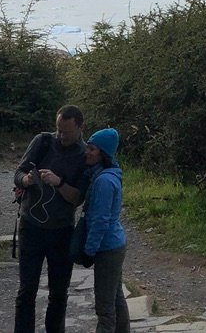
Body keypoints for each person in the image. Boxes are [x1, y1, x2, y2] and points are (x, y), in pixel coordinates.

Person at [14, 105, 89, 333]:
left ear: (80, 127)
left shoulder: (85, 155)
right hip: (31, 226)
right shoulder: (43, 142)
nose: (61, 136)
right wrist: (26, 180)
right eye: (58, 130)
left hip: (61, 231)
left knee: (58, 293)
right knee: (27, 290)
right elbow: (17, 174)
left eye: (66, 131)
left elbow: (77, 198)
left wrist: (59, 183)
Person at [82, 128, 129, 333]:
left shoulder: (103, 181)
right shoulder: (107, 176)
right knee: (116, 297)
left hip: (107, 248)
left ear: (103, 154)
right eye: (88, 148)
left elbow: (100, 220)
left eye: (92, 149)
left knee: (105, 308)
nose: (87, 152)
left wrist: (89, 250)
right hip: (115, 244)